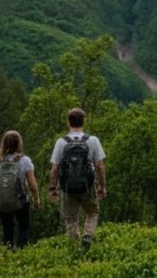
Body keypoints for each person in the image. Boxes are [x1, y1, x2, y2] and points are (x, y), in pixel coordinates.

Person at [48, 107, 107, 250]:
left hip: (67, 187)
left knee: (71, 218)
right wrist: (102, 186)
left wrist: (52, 188)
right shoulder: (92, 140)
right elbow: (99, 165)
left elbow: (55, 168)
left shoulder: (61, 142)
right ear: (83, 122)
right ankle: (87, 235)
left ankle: (75, 248)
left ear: (68, 122)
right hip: (87, 185)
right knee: (92, 212)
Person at [0, 130, 41, 248]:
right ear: (19, 144)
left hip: (3, 201)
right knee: (23, 228)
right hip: (21, 201)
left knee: (7, 231)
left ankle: (7, 253)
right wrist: (36, 199)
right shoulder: (24, 161)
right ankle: (22, 252)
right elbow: (32, 184)